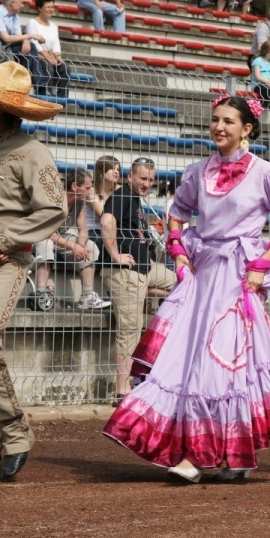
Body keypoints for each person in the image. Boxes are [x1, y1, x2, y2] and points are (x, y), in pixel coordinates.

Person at [103, 96, 270, 483]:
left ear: (247, 129)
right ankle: (236, 456)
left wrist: (262, 265)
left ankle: (201, 455)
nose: (219, 127)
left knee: (220, 363)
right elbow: (177, 214)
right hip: (202, 277)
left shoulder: (268, 173)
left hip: (237, 277)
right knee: (197, 358)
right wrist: (179, 254)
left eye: (229, 121)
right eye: (215, 120)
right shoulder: (197, 171)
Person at [0, 61, 65, 482]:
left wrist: (9, 239)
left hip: (3, 261)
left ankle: (16, 430)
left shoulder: (32, 152)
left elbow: (55, 209)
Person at [100, 158, 177, 402]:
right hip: (125, 272)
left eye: (150, 180)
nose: (146, 184)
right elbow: (107, 221)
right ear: (130, 177)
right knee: (130, 330)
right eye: (142, 179)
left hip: (144, 269)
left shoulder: (135, 200)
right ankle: (123, 391)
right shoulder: (122, 196)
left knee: (182, 284)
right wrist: (115, 254)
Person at [32, 168, 112, 310]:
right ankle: (40, 293)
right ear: (74, 186)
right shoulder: (55, 199)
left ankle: (87, 296)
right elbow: (46, 231)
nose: (90, 191)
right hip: (41, 235)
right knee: (45, 243)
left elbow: (84, 230)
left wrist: (80, 244)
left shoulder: (80, 201)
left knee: (91, 247)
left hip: (62, 236)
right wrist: (72, 246)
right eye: (87, 188)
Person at [25, 0, 70, 99]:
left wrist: (58, 57)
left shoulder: (53, 26)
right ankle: (45, 95)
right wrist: (48, 57)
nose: (51, 9)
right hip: (38, 58)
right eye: (48, 7)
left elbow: (56, 44)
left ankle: (62, 98)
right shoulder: (32, 23)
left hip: (50, 57)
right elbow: (34, 43)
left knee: (65, 68)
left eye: (52, 7)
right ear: (40, 8)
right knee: (47, 66)